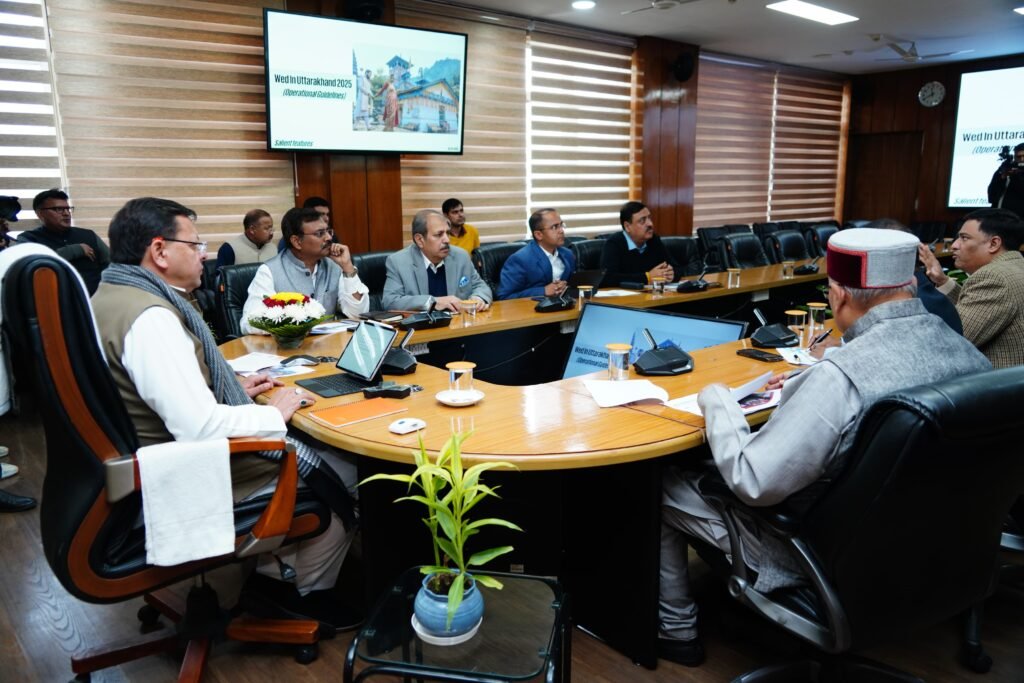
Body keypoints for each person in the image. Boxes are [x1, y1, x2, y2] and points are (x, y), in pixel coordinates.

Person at [657, 228, 991, 667]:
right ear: (911, 284)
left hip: (824, 554)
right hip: (931, 546)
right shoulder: (966, 353)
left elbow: (754, 482)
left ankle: (676, 632)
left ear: (838, 295)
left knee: (662, 484)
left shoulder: (841, 378)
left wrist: (716, 398)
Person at [91, 197, 361, 632]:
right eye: (196, 245)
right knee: (348, 469)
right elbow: (199, 427)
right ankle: (299, 592)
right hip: (184, 469)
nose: (205, 255)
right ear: (159, 251)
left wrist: (227, 389)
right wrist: (274, 414)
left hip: (138, 462)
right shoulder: (151, 317)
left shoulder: (112, 296)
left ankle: (272, 573)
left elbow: (160, 392)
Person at [917, 208, 1024, 368]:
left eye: (964, 238)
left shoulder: (994, 277)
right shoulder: (1015, 266)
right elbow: (979, 308)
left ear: (994, 244)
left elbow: (954, 339)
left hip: (995, 380)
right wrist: (942, 280)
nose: (954, 245)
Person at [241, 207, 369, 334]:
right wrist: (293, 321)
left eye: (328, 231)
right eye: (320, 233)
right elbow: (249, 322)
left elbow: (358, 314)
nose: (329, 237)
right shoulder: (269, 271)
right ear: (297, 242)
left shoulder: (334, 266)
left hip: (330, 343)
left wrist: (348, 268)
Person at [381, 209, 491, 312]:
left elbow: (480, 286)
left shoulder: (460, 256)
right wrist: (433, 302)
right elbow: (390, 301)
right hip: (423, 325)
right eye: (439, 235)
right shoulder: (398, 262)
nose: (447, 240)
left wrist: (478, 298)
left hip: (458, 323)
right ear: (420, 240)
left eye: (447, 233)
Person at [17, 189, 110, 294]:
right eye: (59, 209)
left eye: (68, 209)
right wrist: (74, 250)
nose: (66, 213)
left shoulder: (89, 235)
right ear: (40, 213)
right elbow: (33, 266)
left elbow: (112, 264)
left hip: (93, 300)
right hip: (52, 300)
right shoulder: (29, 239)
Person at [497, 208, 576, 300]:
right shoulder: (520, 260)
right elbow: (504, 296)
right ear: (538, 235)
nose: (561, 231)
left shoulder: (568, 254)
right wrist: (543, 291)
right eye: (554, 227)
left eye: (561, 225)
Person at [601, 201, 679, 287]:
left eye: (649, 218)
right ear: (627, 226)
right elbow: (607, 278)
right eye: (642, 221)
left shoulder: (653, 240)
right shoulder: (614, 244)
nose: (650, 224)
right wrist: (647, 277)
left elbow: (677, 269)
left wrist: (671, 274)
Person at [987, 142, 1024, 218]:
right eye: (1018, 157)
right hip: (1000, 217)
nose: (1022, 159)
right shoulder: (1006, 168)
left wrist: (1017, 175)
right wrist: (1002, 176)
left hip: (1019, 219)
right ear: (1014, 157)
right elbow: (991, 196)